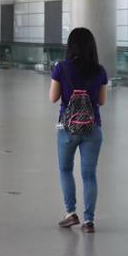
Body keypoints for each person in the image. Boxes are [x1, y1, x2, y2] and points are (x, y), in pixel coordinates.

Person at [49, 27, 108, 233]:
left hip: (66, 128)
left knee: (65, 169)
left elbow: (53, 97)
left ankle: (70, 213)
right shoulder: (100, 71)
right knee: (89, 175)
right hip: (93, 128)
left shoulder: (61, 68)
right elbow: (101, 101)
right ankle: (89, 221)